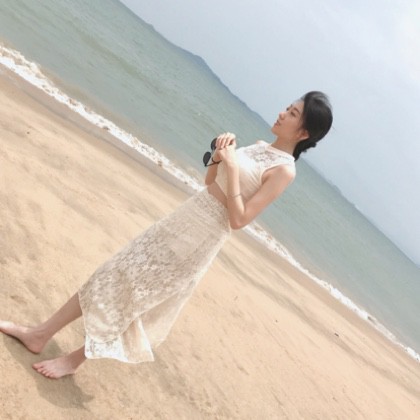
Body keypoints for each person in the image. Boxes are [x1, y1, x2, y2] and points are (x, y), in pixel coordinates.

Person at [0, 91, 333, 379]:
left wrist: (232, 168)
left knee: (136, 298)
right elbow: (210, 183)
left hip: (201, 239)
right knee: (111, 272)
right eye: (287, 108)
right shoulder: (258, 147)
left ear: (304, 132)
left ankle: (74, 361)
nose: (282, 113)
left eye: (292, 114)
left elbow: (239, 219)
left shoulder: (284, 171)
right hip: (184, 217)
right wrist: (218, 156)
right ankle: (40, 333)